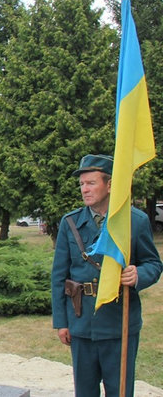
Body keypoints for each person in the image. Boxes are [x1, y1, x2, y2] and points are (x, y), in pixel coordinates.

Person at [51, 154, 162, 397]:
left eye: (91, 183)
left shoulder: (134, 221)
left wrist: (138, 274)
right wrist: (62, 322)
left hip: (119, 323)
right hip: (82, 322)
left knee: (120, 391)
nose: (84, 189)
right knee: (85, 392)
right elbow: (59, 275)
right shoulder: (70, 223)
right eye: (81, 184)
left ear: (109, 185)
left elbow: (153, 263)